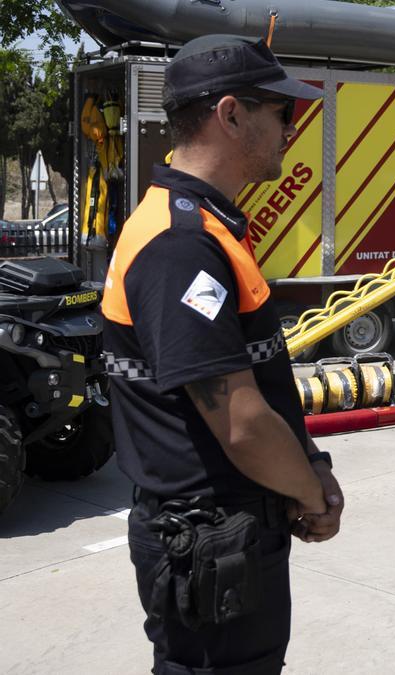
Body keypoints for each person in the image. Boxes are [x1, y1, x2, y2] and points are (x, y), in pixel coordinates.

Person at [100, 35, 342, 674]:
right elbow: (238, 421)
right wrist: (312, 493)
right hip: (209, 540)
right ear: (231, 114)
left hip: (228, 533)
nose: (291, 128)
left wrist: (310, 460)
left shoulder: (204, 224)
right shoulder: (182, 244)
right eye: (280, 112)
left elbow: (260, 378)